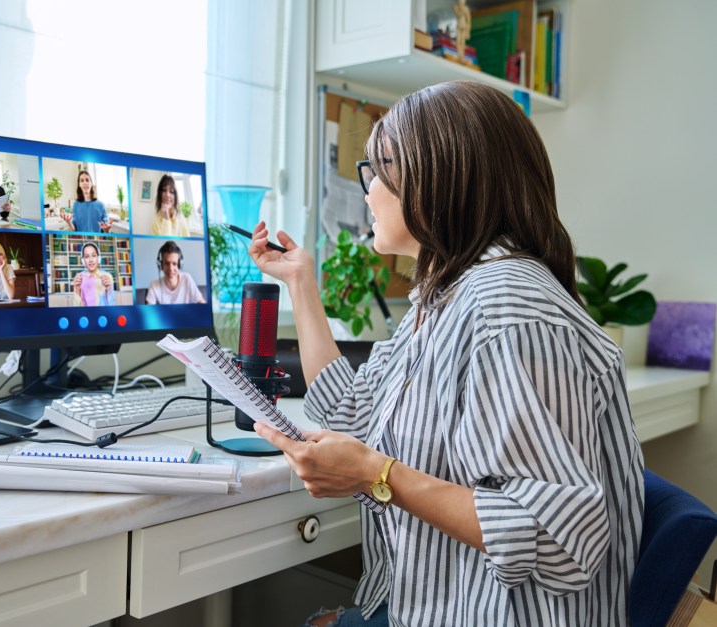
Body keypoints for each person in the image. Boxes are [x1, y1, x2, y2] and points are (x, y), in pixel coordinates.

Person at [247, 81, 644, 626]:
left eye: (380, 169)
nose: (367, 190)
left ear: (441, 179)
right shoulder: (443, 299)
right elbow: (354, 411)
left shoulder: (504, 305)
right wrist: (300, 284)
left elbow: (558, 537)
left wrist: (374, 474)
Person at [145, 240, 206, 305]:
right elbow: (147, 312)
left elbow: (203, 305)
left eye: (174, 263)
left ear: (179, 264)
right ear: (161, 265)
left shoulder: (187, 279)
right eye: (167, 263)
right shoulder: (154, 285)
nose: (171, 269)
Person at [73, 241, 114, 307]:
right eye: (87, 256)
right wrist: (77, 289)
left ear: (99, 258)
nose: (91, 260)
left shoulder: (107, 276)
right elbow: (76, 309)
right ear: (83, 261)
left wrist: (109, 289)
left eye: (94, 256)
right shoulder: (79, 278)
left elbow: (112, 306)